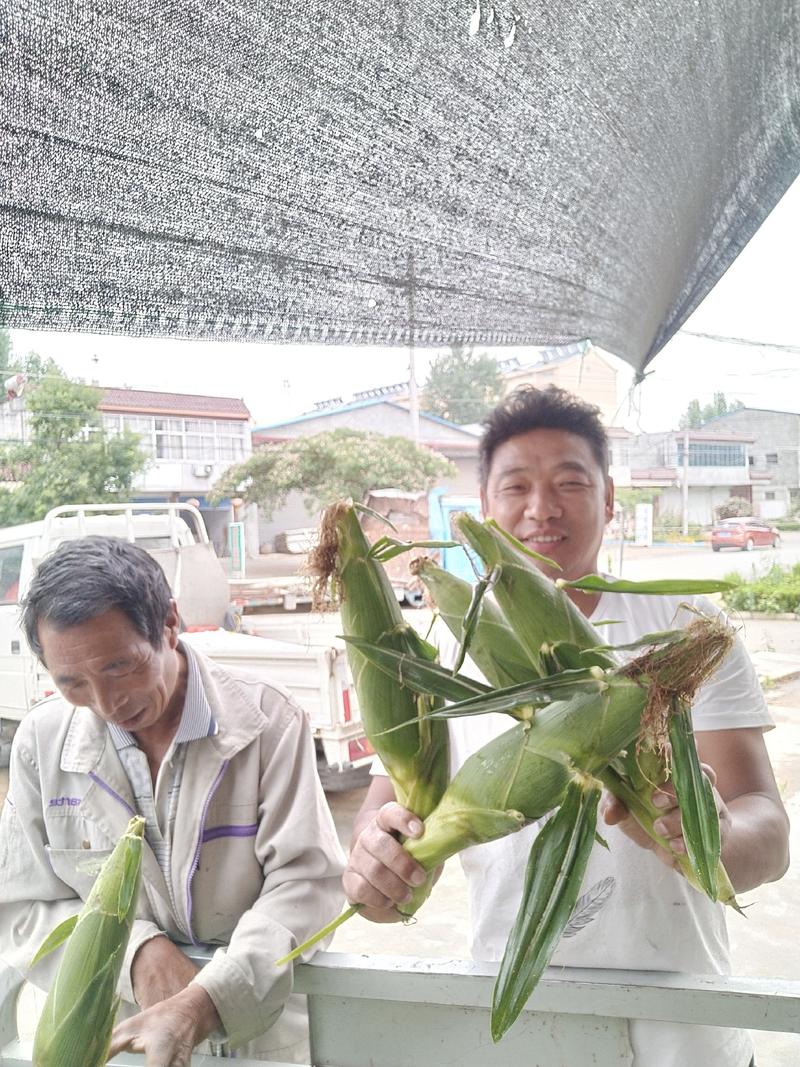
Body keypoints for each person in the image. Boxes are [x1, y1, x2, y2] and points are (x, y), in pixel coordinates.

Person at [345, 385, 789, 1067]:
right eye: (516, 485)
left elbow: (771, 835)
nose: (541, 507)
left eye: (570, 482)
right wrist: (377, 874)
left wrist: (711, 835)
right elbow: (383, 854)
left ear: (611, 500)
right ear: (485, 510)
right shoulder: (435, 660)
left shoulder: (690, 631)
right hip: (525, 1037)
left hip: (687, 1038)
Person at [0, 536, 345, 1066]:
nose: (106, 704)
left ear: (168, 623)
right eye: (72, 683)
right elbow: (24, 909)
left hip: (256, 1036)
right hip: (117, 1039)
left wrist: (205, 1001)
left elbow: (307, 885)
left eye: (120, 667)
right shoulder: (41, 745)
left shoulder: (269, 721)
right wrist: (137, 953)